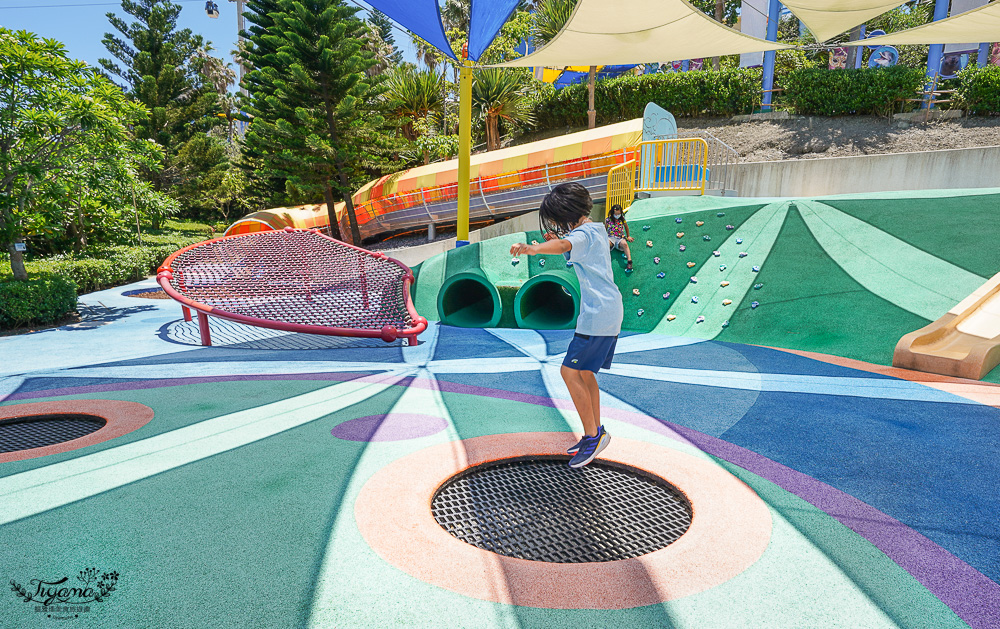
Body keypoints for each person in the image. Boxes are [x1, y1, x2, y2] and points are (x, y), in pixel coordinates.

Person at [510, 183, 624, 468]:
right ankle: (595, 433)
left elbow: (564, 244)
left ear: (565, 214)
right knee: (585, 373)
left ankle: (592, 435)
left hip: (599, 314)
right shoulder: (595, 229)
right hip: (605, 312)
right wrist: (555, 243)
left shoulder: (582, 234)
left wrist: (533, 248)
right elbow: (569, 249)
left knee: (569, 371)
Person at [604, 203, 633, 271]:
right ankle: (604, 261)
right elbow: (605, 229)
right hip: (611, 237)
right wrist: (603, 237)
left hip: (620, 238)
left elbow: (626, 227)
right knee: (606, 244)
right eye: (616, 214)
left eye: (619, 214)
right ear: (612, 213)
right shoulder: (608, 219)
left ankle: (629, 261)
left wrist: (628, 236)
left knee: (625, 244)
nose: (617, 216)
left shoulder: (622, 219)